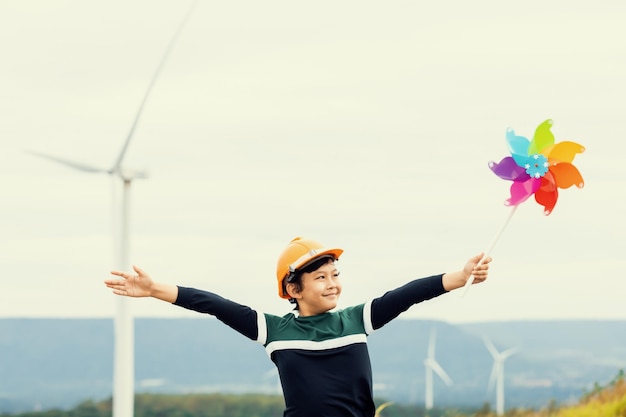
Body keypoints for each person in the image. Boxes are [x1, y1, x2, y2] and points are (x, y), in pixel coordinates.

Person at [104, 236, 492, 417]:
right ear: (293, 288)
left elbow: (409, 293)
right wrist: (155, 289)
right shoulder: (274, 331)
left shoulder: (357, 320)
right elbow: (215, 305)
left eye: (335, 274)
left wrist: (461, 275)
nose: (333, 283)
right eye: (320, 277)